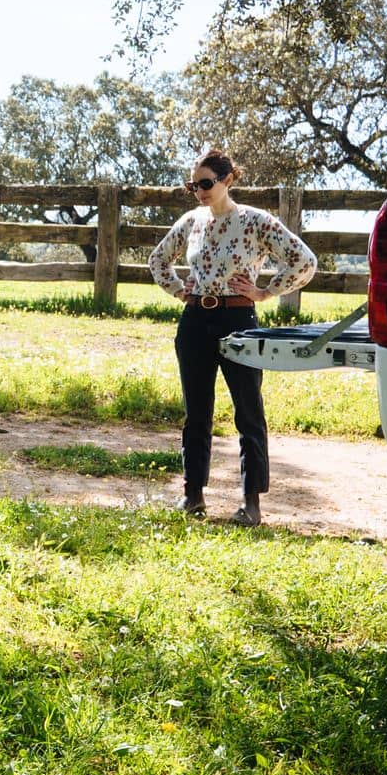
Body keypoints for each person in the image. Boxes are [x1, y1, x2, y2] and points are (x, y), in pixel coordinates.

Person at [148, 149, 318, 524]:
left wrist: (266, 292)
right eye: (193, 185)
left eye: (206, 183)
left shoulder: (256, 221)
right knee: (196, 413)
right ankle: (193, 495)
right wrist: (179, 291)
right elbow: (157, 260)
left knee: (248, 411)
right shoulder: (191, 221)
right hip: (194, 321)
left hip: (239, 320)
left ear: (227, 180)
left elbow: (305, 260)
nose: (199, 191)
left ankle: (251, 503)